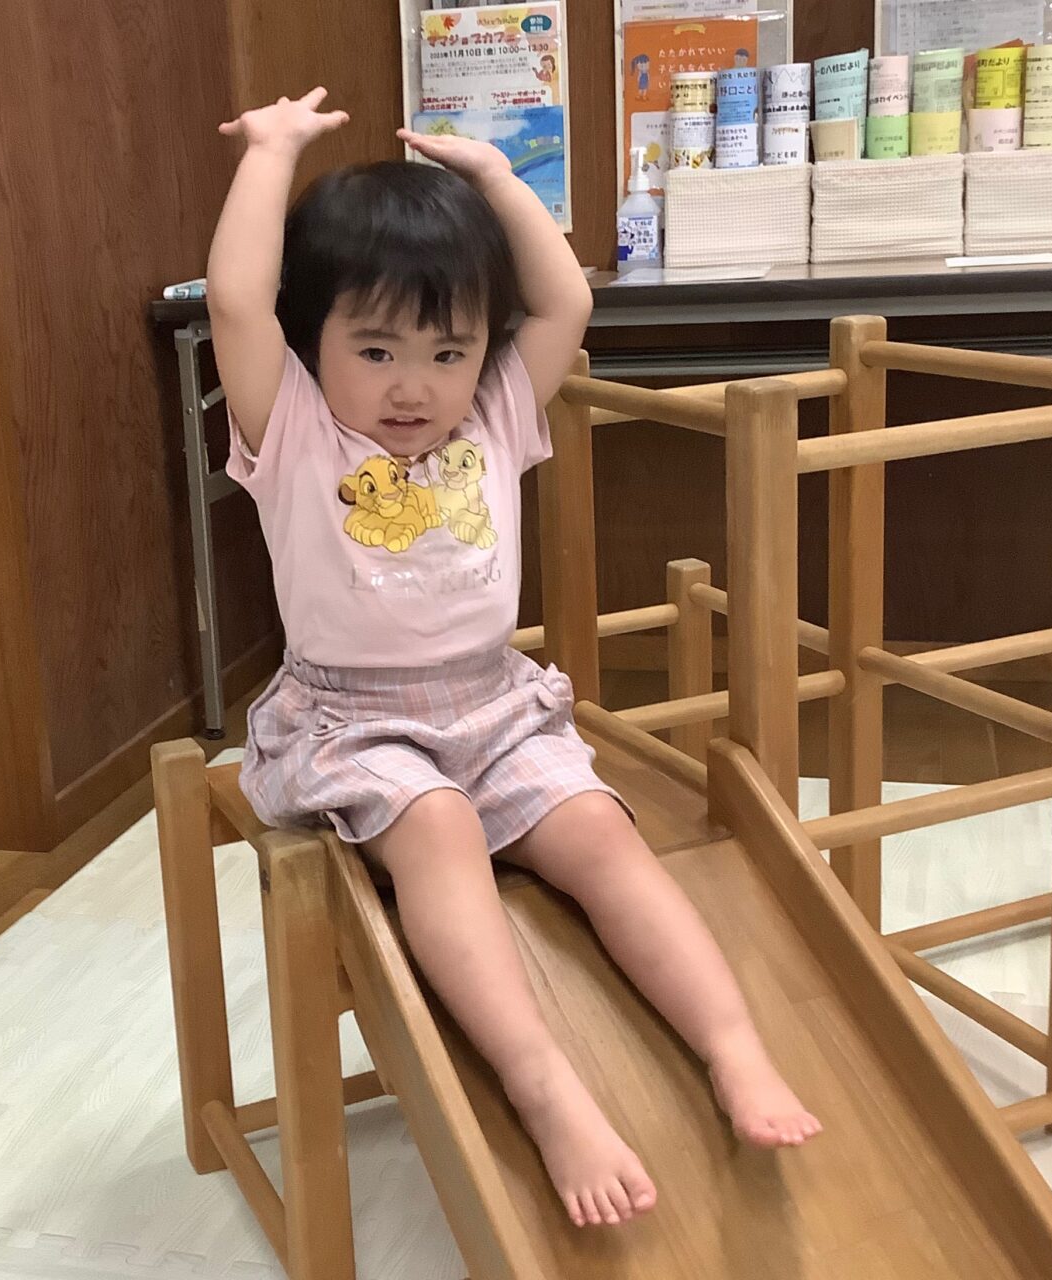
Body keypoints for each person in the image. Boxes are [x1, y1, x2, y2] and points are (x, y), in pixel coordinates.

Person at [207, 87, 821, 1231]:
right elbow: (237, 297)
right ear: (310, 343)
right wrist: (273, 151)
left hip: (496, 706)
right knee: (436, 825)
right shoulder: (289, 426)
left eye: (447, 351)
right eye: (374, 349)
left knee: (600, 833)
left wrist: (499, 179)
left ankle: (731, 1042)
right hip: (355, 723)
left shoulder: (490, 414)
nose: (412, 385)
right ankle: (543, 1086)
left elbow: (563, 298)